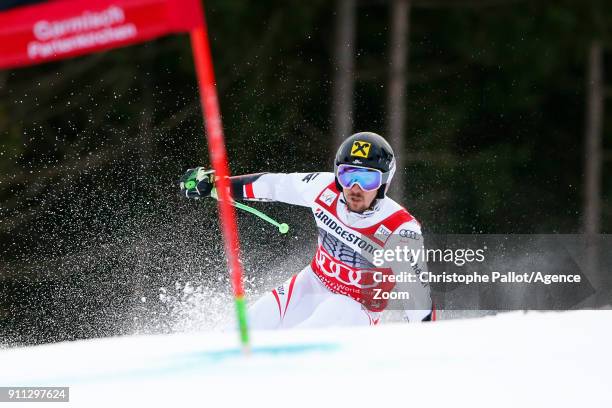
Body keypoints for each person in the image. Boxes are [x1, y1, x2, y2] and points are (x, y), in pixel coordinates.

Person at [179, 132, 433, 329]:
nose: (355, 188)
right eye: (347, 176)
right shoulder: (323, 189)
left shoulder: (401, 228)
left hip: (357, 308)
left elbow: (419, 303)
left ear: (384, 183)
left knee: (316, 326)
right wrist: (215, 185)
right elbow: (274, 185)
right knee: (243, 329)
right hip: (312, 284)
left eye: (368, 179)